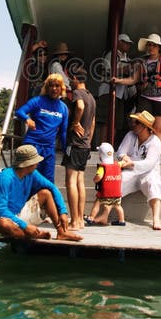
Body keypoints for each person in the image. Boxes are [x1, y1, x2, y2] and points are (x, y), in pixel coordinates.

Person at [0, 144, 82, 243]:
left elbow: (52, 187)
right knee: (4, 224)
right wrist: (24, 225)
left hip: (19, 214)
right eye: (36, 162)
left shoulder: (32, 173)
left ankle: (61, 232)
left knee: (46, 193)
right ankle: (29, 236)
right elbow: (0, 210)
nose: (37, 164)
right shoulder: (5, 178)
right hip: (0, 221)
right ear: (28, 164)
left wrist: (63, 212)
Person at [112, 33, 161, 152]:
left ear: (159, 47)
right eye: (149, 45)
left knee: (159, 128)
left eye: (154, 45)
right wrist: (119, 80)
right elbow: (133, 79)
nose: (151, 47)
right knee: (140, 124)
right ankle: (141, 151)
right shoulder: (143, 61)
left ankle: (156, 155)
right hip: (146, 97)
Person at [15, 74, 69, 182]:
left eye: (57, 86)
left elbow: (63, 132)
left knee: (47, 182)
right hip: (32, 145)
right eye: (51, 85)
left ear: (61, 88)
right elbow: (20, 111)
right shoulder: (38, 101)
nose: (54, 88)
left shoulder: (63, 108)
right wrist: (27, 119)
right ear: (47, 87)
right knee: (29, 179)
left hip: (49, 149)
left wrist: (65, 151)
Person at [117, 110, 161, 230]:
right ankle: (104, 214)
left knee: (153, 184)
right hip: (131, 171)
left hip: (148, 172)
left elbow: (149, 163)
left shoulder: (155, 142)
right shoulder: (130, 135)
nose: (133, 124)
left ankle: (156, 219)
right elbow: (120, 151)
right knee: (117, 181)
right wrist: (124, 157)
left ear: (145, 127)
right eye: (133, 121)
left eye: (137, 122)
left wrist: (131, 163)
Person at [63, 70, 96, 230]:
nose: (69, 82)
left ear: (76, 79)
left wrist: (75, 122)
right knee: (80, 182)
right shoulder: (91, 96)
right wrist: (88, 140)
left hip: (75, 144)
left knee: (70, 181)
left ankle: (75, 221)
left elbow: (80, 107)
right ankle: (80, 220)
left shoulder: (78, 93)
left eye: (70, 79)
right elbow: (94, 122)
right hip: (85, 145)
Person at [96, 33, 134, 145]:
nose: (128, 45)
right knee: (105, 121)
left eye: (129, 44)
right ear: (119, 43)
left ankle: (110, 146)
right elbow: (108, 72)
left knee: (116, 122)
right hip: (108, 91)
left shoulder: (126, 57)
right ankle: (102, 146)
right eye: (126, 43)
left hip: (121, 94)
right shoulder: (111, 55)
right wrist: (126, 69)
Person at [85, 142, 125, 227]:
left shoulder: (103, 167)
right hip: (117, 193)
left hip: (105, 193)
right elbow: (124, 162)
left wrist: (95, 180)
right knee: (118, 206)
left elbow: (99, 177)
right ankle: (122, 220)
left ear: (100, 156)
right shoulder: (117, 164)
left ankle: (91, 218)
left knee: (97, 203)